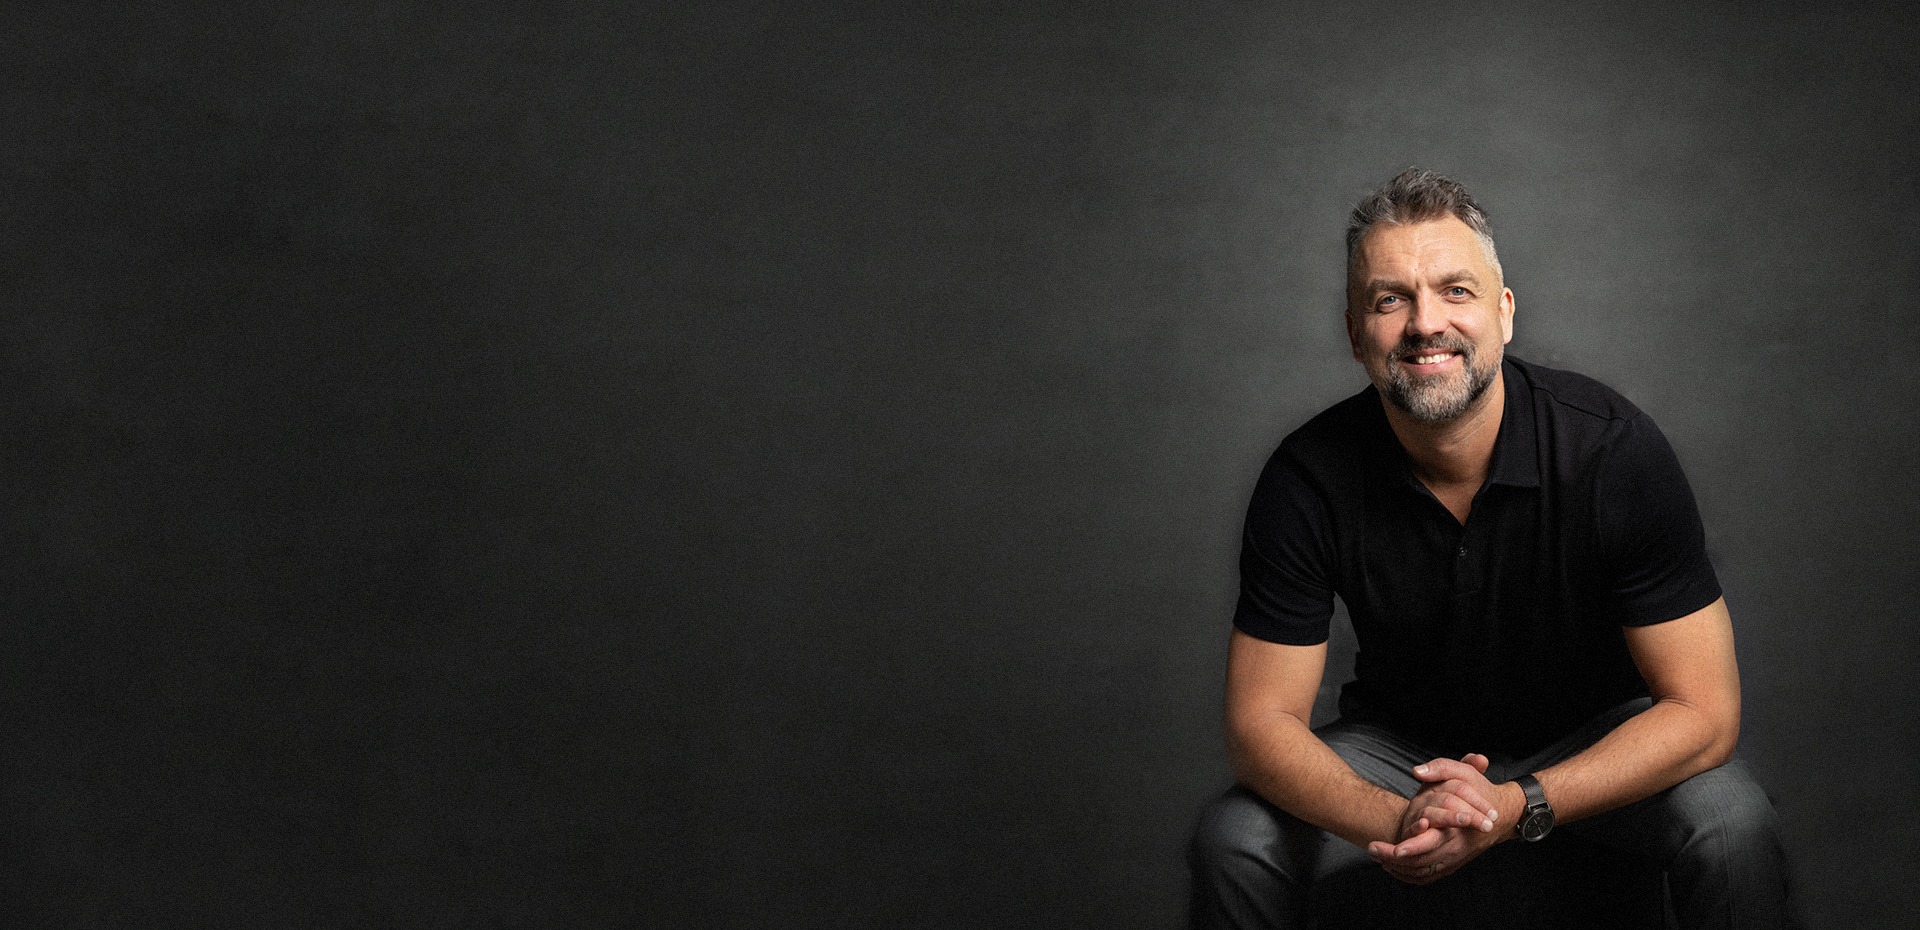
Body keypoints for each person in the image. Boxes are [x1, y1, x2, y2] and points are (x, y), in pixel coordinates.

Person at [1188, 169, 1792, 929]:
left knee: (1732, 821)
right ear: (1354, 334)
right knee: (1236, 838)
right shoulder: (1307, 477)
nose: (1425, 323)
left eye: (1456, 291)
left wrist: (1518, 803)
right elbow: (1260, 726)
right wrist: (1399, 816)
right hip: (1401, 752)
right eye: (1390, 299)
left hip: (1593, 739)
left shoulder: (1613, 451)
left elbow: (1705, 712)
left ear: (1504, 313)